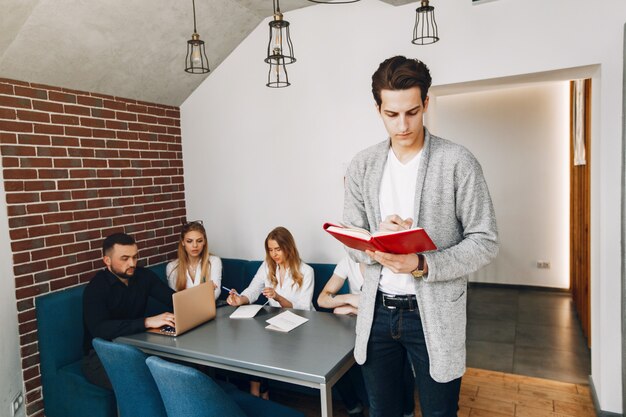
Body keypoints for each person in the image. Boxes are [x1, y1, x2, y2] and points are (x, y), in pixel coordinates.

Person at [342, 56, 499, 417]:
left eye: (412, 112)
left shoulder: (458, 161)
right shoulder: (362, 165)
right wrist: (375, 241)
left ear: (426, 103)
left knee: (440, 413)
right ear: (378, 109)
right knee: (384, 412)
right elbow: (354, 240)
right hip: (377, 313)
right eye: (391, 114)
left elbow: (485, 239)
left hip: (435, 315)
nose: (402, 125)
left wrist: (422, 263)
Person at [318, 256, 416, 417]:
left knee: (402, 361)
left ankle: (408, 411)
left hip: (385, 325)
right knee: (330, 360)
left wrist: (354, 307)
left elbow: (392, 311)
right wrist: (350, 299)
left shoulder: (388, 261)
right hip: (355, 327)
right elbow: (322, 299)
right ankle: (353, 407)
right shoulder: (346, 262)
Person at [227, 226, 315, 397]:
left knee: (267, 341)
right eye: (270, 250)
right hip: (276, 322)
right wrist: (240, 299)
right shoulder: (267, 266)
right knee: (256, 340)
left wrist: (279, 297)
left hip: (302, 324)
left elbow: (304, 308)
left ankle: (260, 389)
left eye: (278, 249)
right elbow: (252, 290)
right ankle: (259, 389)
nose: (274, 254)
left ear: (289, 248)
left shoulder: (306, 271)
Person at [82, 233, 175, 389]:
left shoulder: (143, 276)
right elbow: (100, 329)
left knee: (176, 369)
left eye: (135, 257)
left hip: (137, 346)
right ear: (107, 261)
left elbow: (172, 298)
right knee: (145, 382)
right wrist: (146, 322)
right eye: (125, 258)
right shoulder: (96, 288)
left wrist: (198, 300)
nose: (132, 263)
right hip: (100, 355)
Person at [166, 220, 222, 300]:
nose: (195, 245)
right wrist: (204, 292)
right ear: (183, 242)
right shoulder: (172, 267)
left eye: (199, 241)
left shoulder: (214, 261)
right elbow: (176, 300)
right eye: (189, 241)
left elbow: (215, 294)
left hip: (208, 309)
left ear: (204, 242)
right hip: (184, 311)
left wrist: (188, 296)